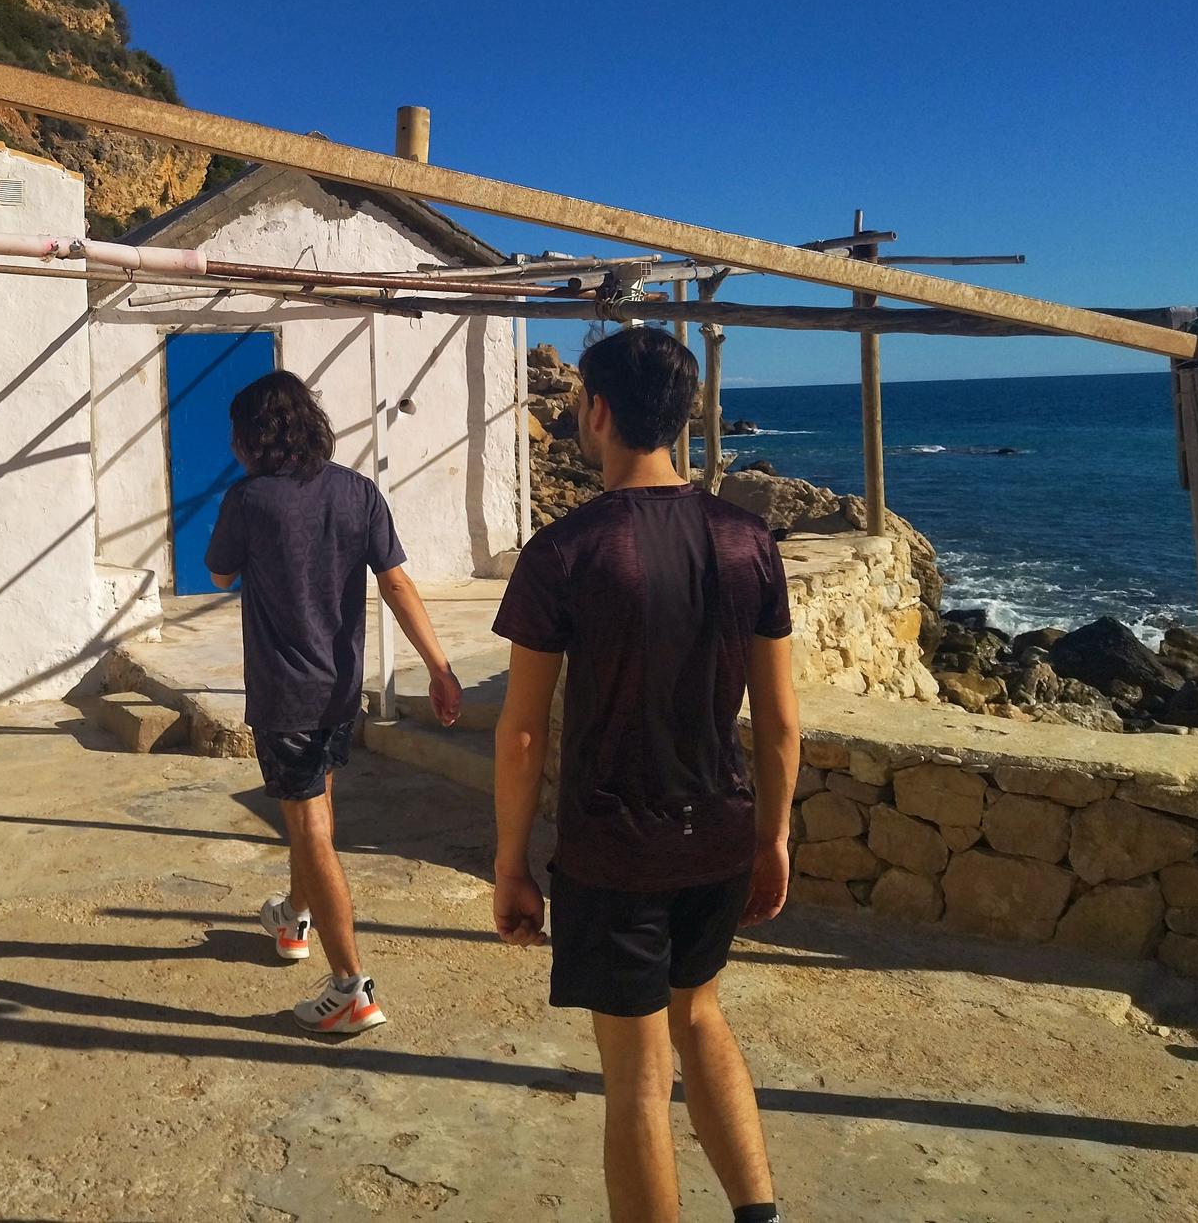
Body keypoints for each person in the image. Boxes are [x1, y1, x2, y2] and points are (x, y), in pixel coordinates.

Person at [490, 327, 800, 1223]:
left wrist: (512, 863)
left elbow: (519, 735)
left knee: (635, 1077)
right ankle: (758, 1214)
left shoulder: (566, 551)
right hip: (722, 834)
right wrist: (773, 836)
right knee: (698, 1018)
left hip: (613, 849)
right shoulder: (750, 541)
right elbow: (779, 722)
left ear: (598, 411)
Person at [205, 369, 462, 1035]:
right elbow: (399, 586)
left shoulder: (248, 501)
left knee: (311, 826)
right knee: (311, 807)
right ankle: (294, 916)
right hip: (341, 690)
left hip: (285, 692)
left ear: (251, 436)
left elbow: (219, 571)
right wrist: (439, 668)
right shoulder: (359, 493)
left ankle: (351, 986)